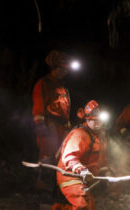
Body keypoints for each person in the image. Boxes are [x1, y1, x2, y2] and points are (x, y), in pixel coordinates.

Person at [54, 100, 108, 210]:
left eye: (99, 121)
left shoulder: (100, 137)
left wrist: (105, 171)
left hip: (84, 176)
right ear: (87, 119)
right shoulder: (80, 134)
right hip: (68, 174)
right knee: (81, 200)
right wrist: (81, 170)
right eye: (93, 121)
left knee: (90, 206)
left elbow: (100, 159)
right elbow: (69, 158)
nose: (97, 124)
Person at [32, 50, 73, 190]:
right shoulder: (43, 84)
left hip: (62, 126)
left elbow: (66, 108)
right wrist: (40, 123)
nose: (65, 72)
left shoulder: (63, 87)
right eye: (62, 69)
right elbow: (38, 103)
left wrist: (68, 126)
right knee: (47, 154)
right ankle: (42, 185)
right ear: (54, 68)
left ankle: (56, 186)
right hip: (49, 124)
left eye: (66, 70)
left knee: (61, 156)